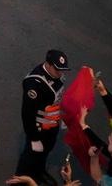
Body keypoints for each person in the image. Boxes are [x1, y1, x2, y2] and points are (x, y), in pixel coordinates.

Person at [15, 49, 70, 185]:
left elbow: (57, 98)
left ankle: (37, 172)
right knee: (30, 156)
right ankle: (19, 180)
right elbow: (27, 113)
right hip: (38, 128)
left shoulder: (56, 74)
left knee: (45, 152)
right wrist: (34, 138)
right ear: (48, 64)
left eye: (62, 70)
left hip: (52, 124)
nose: (60, 73)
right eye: (57, 69)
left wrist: (60, 118)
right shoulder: (34, 84)